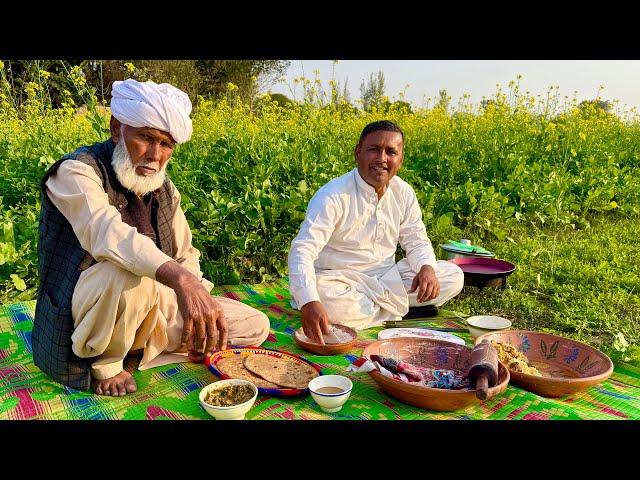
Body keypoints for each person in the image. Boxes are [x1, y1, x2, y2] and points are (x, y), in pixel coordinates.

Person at [32, 79, 270, 396]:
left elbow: (185, 253)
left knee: (253, 326)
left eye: (166, 144)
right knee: (128, 273)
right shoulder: (76, 172)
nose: (155, 155)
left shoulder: (163, 188)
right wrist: (181, 280)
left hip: (149, 306)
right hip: (85, 312)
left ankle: (143, 343)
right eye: (145, 138)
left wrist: (198, 304)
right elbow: (107, 233)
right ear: (117, 129)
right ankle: (107, 362)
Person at [288, 120, 464, 344]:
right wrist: (309, 302)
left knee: (452, 275)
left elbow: (416, 240)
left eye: (391, 152)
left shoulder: (403, 192)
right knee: (325, 300)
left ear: (400, 159)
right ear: (358, 153)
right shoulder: (333, 195)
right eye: (374, 149)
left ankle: (382, 313)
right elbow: (303, 249)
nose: (382, 158)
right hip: (340, 280)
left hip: (386, 277)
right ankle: (404, 311)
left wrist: (426, 268)